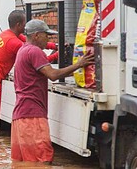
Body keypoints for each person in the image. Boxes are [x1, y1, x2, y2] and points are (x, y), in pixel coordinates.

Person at [11, 19, 95, 163]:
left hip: (20, 117)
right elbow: (53, 75)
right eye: (47, 35)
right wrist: (78, 64)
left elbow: (49, 73)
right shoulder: (35, 51)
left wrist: (79, 72)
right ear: (37, 35)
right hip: (33, 117)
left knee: (24, 163)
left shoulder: (23, 50)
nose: (48, 39)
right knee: (43, 160)